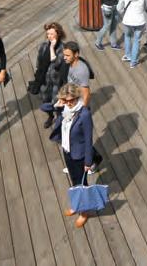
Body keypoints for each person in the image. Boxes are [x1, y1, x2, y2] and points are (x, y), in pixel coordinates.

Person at [50, 83, 95, 228]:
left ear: (77, 97)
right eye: (65, 100)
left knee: (82, 184)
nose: (69, 103)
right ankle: (76, 205)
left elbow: (88, 139)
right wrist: (58, 105)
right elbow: (44, 108)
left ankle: (84, 212)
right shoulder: (64, 109)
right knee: (74, 181)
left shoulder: (84, 114)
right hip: (68, 151)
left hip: (79, 155)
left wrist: (88, 161)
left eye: (71, 100)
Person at [117, 0, 147, 68]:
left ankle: (128, 55)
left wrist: (122, 12)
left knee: (127, 36)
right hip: (139, 20)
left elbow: (119, 7)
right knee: (136, 40)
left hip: (127, 20)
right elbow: (145, 6)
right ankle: (133, 62)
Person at [28, 21, 65, 98]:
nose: (49, 36)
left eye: (52, 34)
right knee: (44, 98)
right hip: (43, 79)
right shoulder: (44, 46)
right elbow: (39, 62)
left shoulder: (63, 48)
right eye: (48, 34)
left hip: (55, 81)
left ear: (58, 34)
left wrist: (52, 48)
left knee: (54, 100)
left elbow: (57, 64)